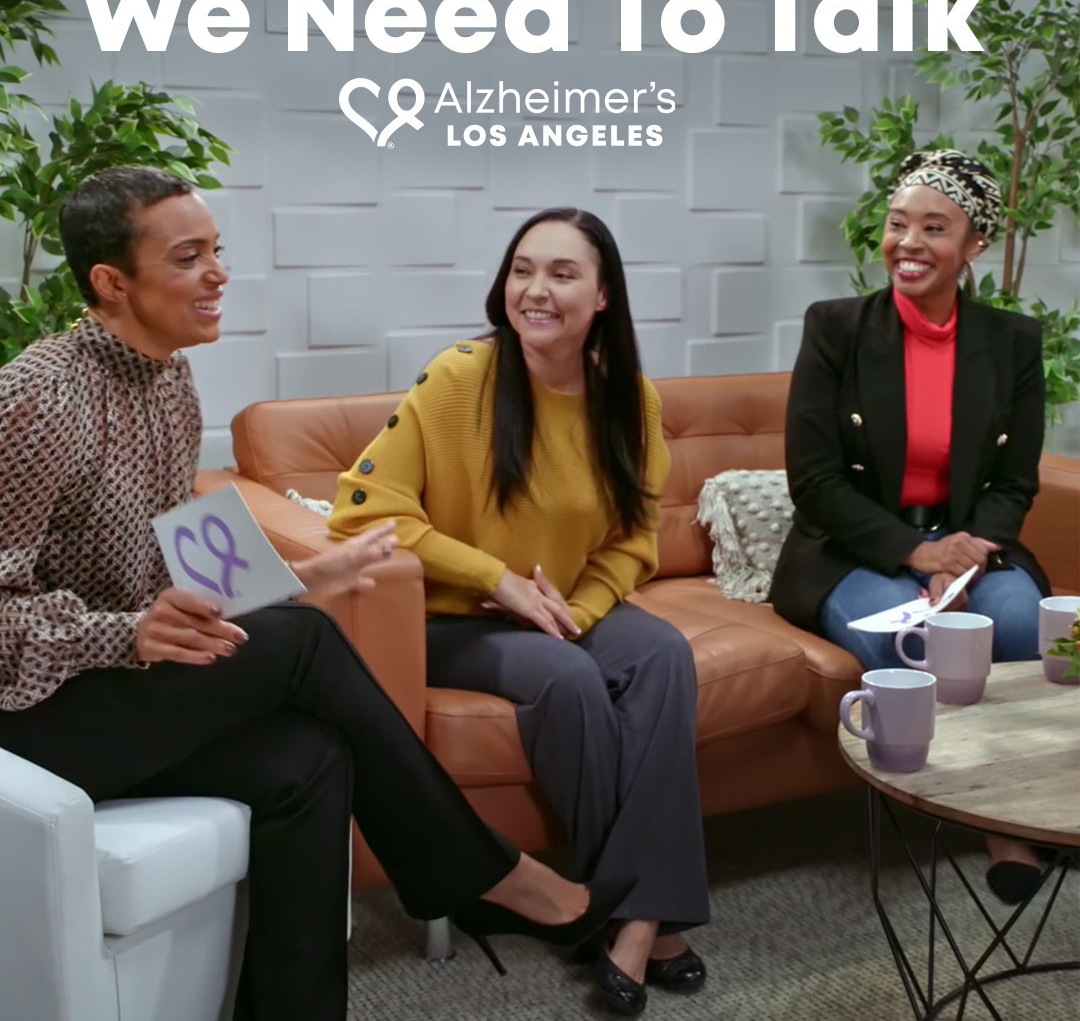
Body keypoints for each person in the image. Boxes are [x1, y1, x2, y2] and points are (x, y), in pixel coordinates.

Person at [0, 167, 634, 1021]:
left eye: (216, 252)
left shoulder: (171, 382)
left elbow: (178, 570)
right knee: (304, 643)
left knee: (309, 759)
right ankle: (487, 875)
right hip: (31, 718)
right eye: (190, 259)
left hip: (114, 694)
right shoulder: (38, 396)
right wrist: (124, 636)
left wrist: (300, 577)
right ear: (112, 282)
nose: (220, 275)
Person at [328, 208, 709, 1016]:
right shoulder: (462, 376)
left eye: (562, 274)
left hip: (561, 606)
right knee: (568, 678)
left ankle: (634, 920)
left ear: (603, 296)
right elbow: (365, 510)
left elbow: (634, 539)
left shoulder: (628, 400)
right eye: (522, 270)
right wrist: (498, 580)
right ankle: (651, 925)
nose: (536, 290)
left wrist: (580, 607)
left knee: (664, 653)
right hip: (452, 618)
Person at [770, 149, 1050, 904]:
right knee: (890, 635)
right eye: (898, 225)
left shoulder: (1013, 343)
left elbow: (1015, 480)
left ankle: (1015, 804)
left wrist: (961, 557)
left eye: (935, 227)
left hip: (968, 545)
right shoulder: (835, 329)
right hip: (855, 548)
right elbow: (816, 480)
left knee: (1021, 623)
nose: (909, 243)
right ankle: (966, 811)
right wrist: (919, 553)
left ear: (973, 247)